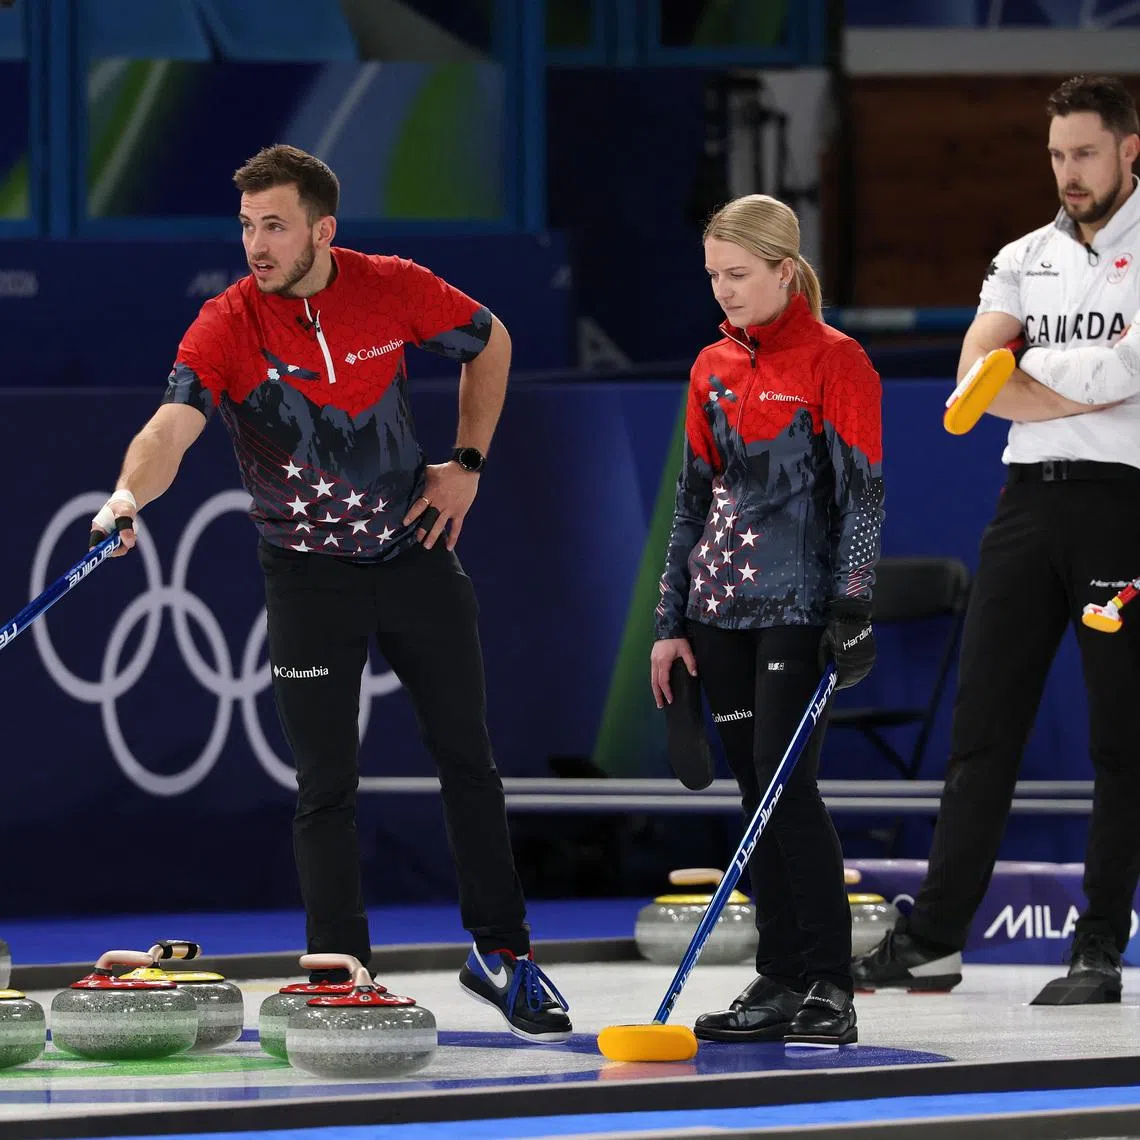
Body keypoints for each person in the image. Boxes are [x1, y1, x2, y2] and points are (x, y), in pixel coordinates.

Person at [87, 144, 571, 1042]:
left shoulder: (390, 285)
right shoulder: (226, 323)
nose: (256, 245)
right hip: (306, 575)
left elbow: (491, 340)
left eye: (274, 225)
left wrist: (467, 463)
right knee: (325, 786)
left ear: (323, 229)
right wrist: (126, 495)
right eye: (245, 227)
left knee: (468, 758)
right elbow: (170, 427)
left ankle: (501, 955)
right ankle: (342, 978)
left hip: (414, 553)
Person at [854, 75, 1140, 1005]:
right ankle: (933, 939)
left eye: (1086, 153)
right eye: (1058, 155)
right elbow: (973, 377)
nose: (1069, 173)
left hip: (1121, 509)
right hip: (1024, 506)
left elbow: (1116, 373)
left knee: (1121, 737)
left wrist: (1026, 375)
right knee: (981, 732)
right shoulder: (1023, 253)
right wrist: (1068, 379)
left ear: (1130, 149)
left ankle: (1097, 947)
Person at [649, 194, 884, 1046]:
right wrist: (669, 621)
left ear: (786, 271)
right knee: (754, 793)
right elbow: (689, 500)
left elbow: (863, 491)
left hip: (798, 608)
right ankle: (780, 978)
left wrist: (853, 604)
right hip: (719, 609)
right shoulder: (709, 364)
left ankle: (831, 981)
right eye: (713, 276)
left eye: (738, 275)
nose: (724, 292)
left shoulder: (837, 360)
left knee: (786, 790)